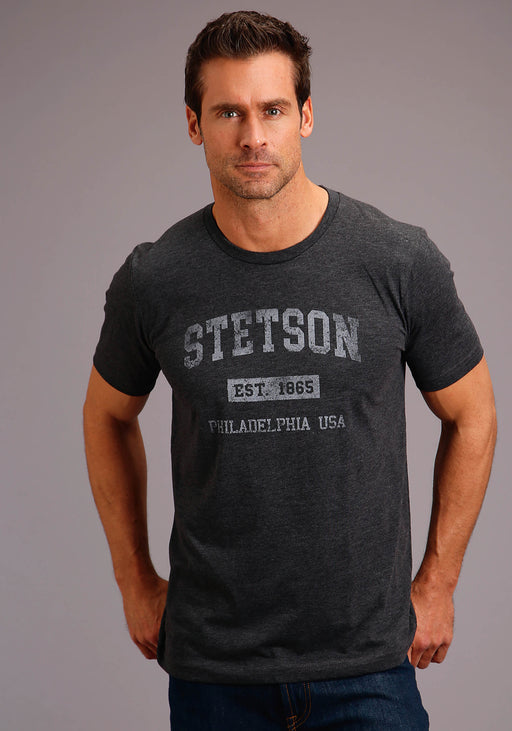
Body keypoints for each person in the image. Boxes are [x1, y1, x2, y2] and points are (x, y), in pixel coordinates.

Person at [83, 10, 497, 730]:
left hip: (369, 669)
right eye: (229, 113)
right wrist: (134, 579)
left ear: (305, 115)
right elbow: (106, 417)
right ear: (194, 124)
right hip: (216, 675)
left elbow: (474, 413)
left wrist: (439, 581)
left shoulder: (398, 261)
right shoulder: (156, 280)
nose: (253, 135)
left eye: (272, 109)